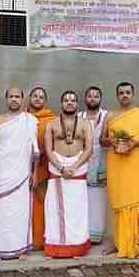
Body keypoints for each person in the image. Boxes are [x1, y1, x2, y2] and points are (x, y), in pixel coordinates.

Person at [101, 82, 139, 259]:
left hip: (136, 166)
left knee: (133, 204)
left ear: (133, 94)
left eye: (127, 92)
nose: (124, 95)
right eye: (121, 93)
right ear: (117, 96)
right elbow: (102, 140)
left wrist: (134, 143)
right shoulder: (110, 116)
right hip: (116, 165)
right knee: (118, 204)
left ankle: (132, 244)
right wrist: (112, 141)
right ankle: (118, 243)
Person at [44, 91, 93, 257]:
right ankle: (56, 246)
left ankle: (77, 246)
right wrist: (61, 168)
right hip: (58, 169)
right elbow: (48, 150)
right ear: (61, 103)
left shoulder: (86, 124)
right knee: (55, 210)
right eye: (66, 100)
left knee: (77, 210)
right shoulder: (51, 124)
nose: (69, 102)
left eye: (73, 100)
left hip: (77, 169)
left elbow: (89, 149)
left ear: (77, 104)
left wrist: (74, 166)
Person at [0, 87, 39, 259]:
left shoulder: (30, 120)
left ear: (22, 99)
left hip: (22, 173)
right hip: (2, 171)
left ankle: (20, 248)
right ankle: (2, 247)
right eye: (11, 96)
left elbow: (35, 151)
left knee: (21, 211)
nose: (14, 99)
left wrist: (35, 174)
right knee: (3, 212)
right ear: (6, 99)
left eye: (17, 96)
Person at [27, 86, 56, 251]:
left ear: (45, 101)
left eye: (41, 96)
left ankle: (41, 240)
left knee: (41, 203)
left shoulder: (51, 119)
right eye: (35, 95)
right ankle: (26, 240)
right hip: (22, 167)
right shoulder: (22, 117)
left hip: (44, 166)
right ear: (29, 98)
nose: (38, 98)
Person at [78, 86, 108, 245]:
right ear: (85, 99)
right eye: (90, 96)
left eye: (96, 96)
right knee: (81, 200)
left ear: (100, 99)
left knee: (98, 201)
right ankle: (82, 234)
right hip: (82, 162)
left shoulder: (107, 116)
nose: (92, 98)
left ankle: (96, 236)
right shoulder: (78, 117)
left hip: (101, 161)